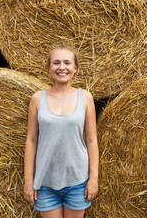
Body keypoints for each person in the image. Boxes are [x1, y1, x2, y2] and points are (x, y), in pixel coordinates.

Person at [24, 45, 99, 218]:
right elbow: (31, 140)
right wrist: (29, 180)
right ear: (49, 68)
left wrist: (93, 179)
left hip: (78, 181)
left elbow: (91, 140)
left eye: (67, 62)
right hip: (45, 182)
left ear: (75, 68)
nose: (62, 67)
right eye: (56, 63)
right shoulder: (37, 99)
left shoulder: (85, 98)